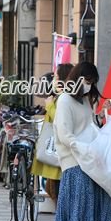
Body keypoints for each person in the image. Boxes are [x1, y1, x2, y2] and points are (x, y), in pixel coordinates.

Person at [51, 61, 111, 221]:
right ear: (77, 79)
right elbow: (64, 134)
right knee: (78, 206)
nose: (89, 85)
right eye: (87, 81)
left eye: (92, 82)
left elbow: (89, 127)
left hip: (93, 158)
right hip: (75, 162)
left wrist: (100, 118)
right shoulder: (65, 100)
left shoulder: (85, 101)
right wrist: (83, 148)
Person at [31, 64, 73, 204]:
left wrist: (49, 105)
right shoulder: (61, 96)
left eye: (55, 77)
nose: (53, 80)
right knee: (53, 187)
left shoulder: (65, 98)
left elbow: (60, 119)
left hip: (60, 149)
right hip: (57, 147)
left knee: (57, 189)